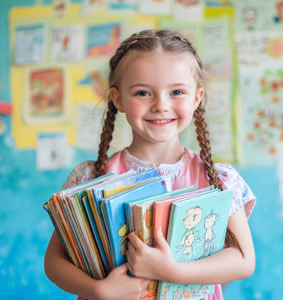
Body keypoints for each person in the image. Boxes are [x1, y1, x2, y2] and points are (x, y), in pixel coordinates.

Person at [44, 29, 256, 300]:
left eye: (177, 91)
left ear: (196, 98)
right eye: (143, 93)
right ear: (118, 98)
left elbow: (244, 259)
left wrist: (171, 271)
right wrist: (99, 290)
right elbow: (54, 262)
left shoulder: (219, 178)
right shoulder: (90, 177)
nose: (161, 105)